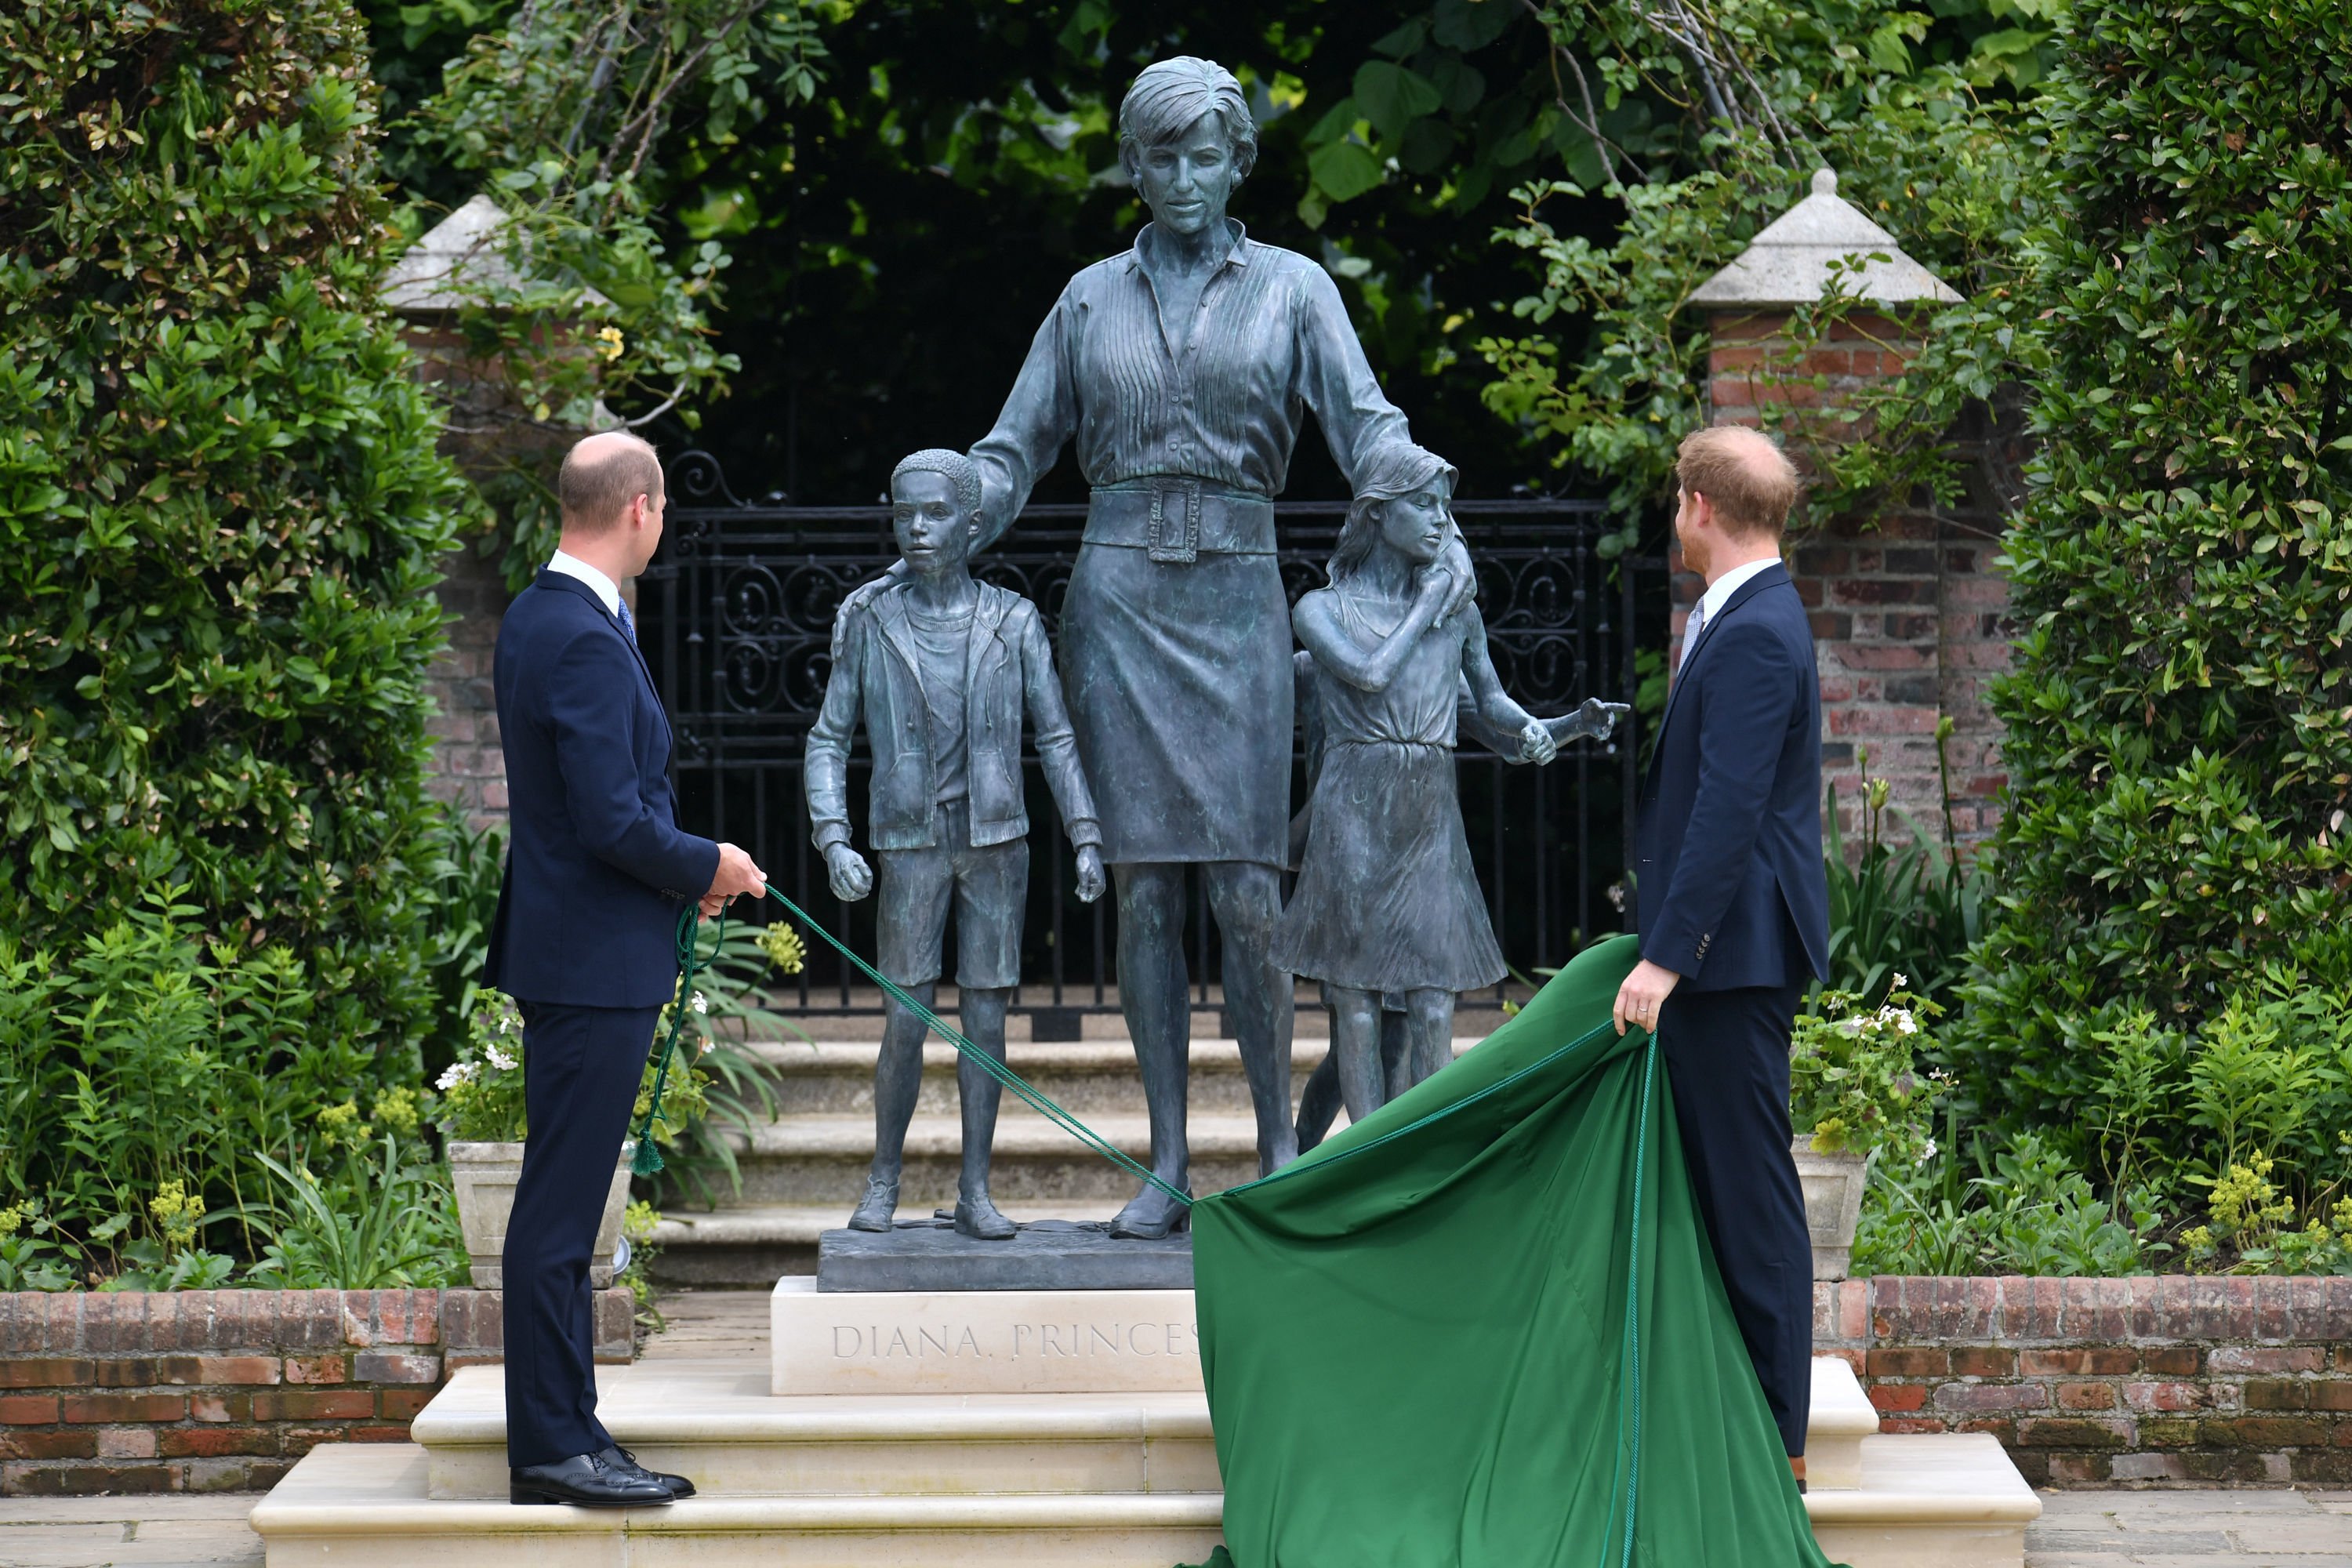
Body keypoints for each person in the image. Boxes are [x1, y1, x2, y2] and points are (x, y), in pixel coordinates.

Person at [932, 56, 1473, 1238]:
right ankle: (1170, 1160)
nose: (1182, 178)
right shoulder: (1087, 299)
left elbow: (1366, 426)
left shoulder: (1293, 289)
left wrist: (1431, 513)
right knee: (1142, 896)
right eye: (1160, 156)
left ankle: (1281, 1147)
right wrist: (942, 511)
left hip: (1235, 601)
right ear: (1133, 166)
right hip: (1118, 605)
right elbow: (1014, 448)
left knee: (1246, 888)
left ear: (1240, 163)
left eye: (1205, 155)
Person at [485, 430, 767, 1508]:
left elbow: (587, 810)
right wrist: (715, 865)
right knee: (559, 1218)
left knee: (559, 1212)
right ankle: (555, 1450)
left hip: (581, 946)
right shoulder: (585, 638)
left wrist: (676, 876)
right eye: (662, 515)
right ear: (640, 510)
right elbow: (609, 818)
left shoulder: (536, 617)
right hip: (593, 962)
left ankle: (572, 1433)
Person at [804, 448, 1107, 1240]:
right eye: (904, 513)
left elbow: (1058, 735)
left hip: (997, 842)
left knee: (988, 1020)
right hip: (910, 843)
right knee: (904, 1018)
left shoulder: (1011, 621)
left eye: (934, 513)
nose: (917, 529)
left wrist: (1085, 833)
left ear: (973, 525)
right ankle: (884, 1178)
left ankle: (976, 1188)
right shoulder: (872, 621)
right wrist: (833, 836)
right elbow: (828, 739)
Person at [1612, 423, 1831, 1488]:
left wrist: (1666, 956)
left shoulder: (1753, 630)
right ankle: (1742, 1425)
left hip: (1730, 959)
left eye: (1674, 503)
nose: (1673, 519)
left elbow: (1729, 812)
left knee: (1750, 1198)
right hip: (1725, 952)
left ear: (1700, 507)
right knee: (1726, 1190)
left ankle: (1778, 1446)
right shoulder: (1743, 614)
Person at [1273, 445, 1582, 1124]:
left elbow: (1491, 700)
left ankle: (1424, 1151)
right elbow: (1369, 674)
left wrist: (1537, 727)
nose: (1443, 521)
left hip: (1427, 806)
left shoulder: (1459, 616)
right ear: (1378, 515)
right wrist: (1430, 602)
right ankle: (1365, 1157)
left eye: (1447, 506)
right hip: (1354, 801)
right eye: (1425, 504)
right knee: (1354, 996)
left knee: (1433, 992)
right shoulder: (1321, 609)